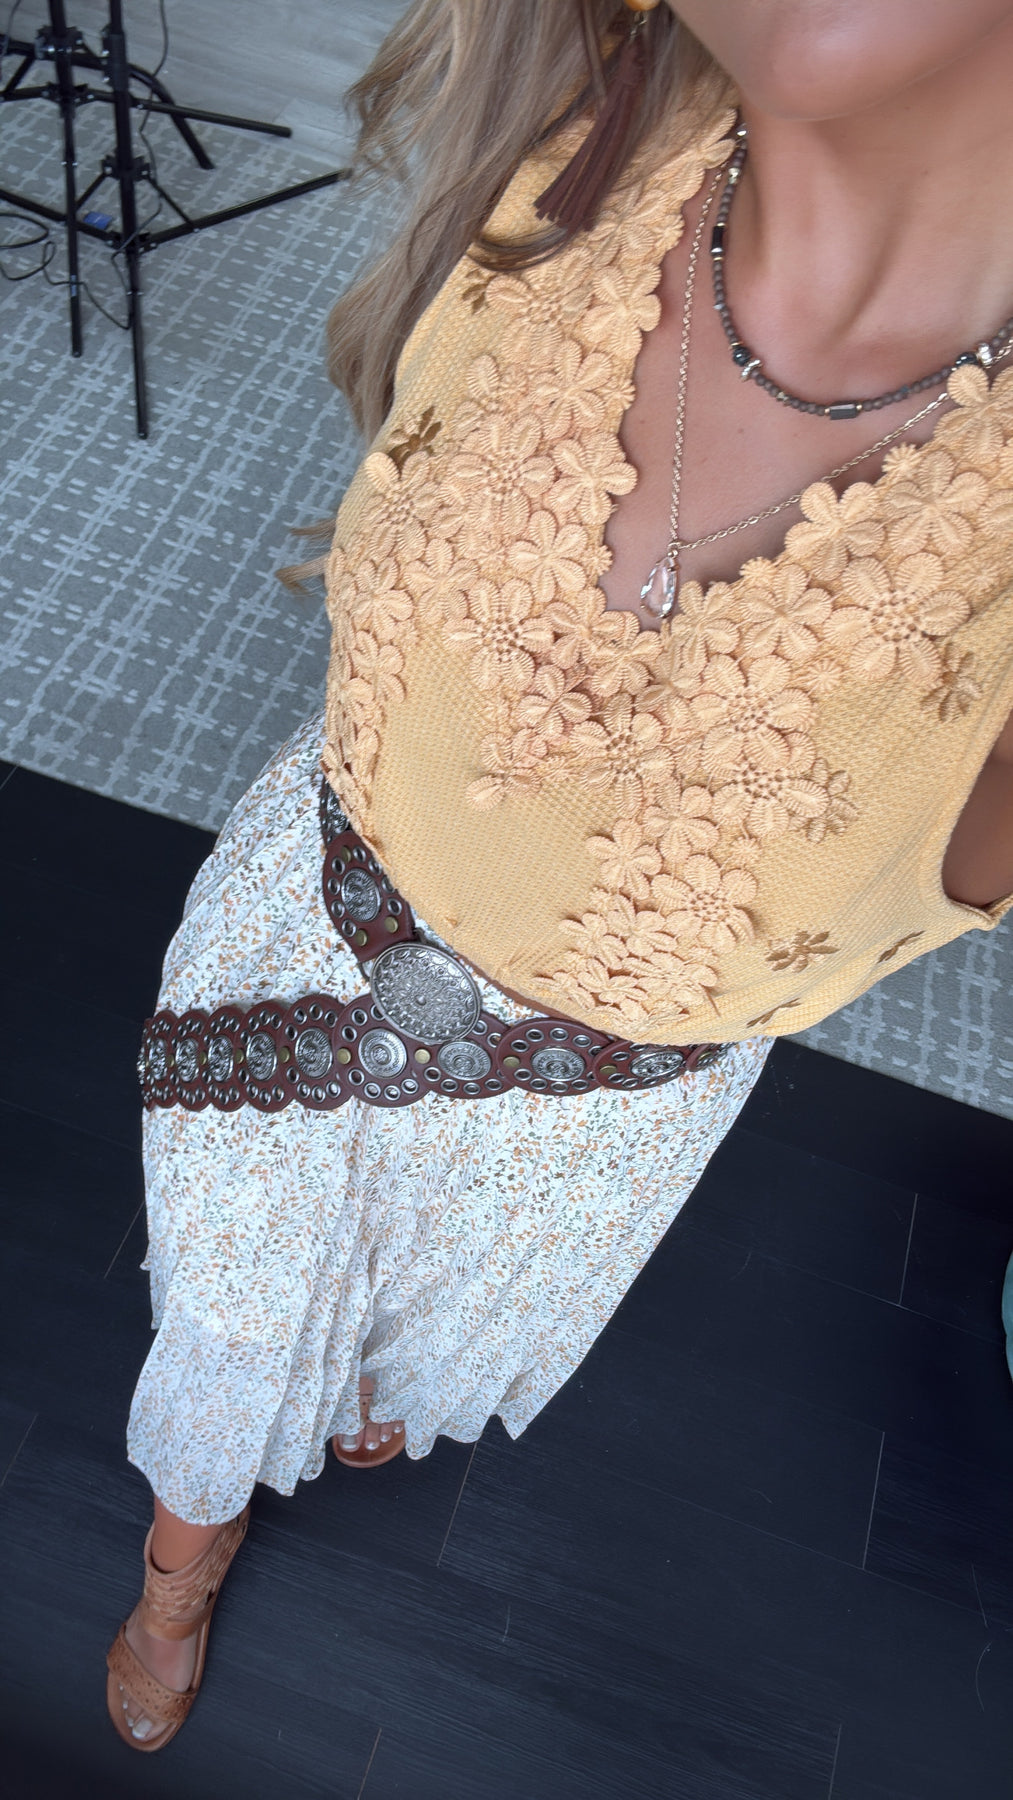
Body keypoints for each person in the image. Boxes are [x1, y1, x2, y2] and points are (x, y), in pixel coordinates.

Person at [106, 0, 1013, 1750]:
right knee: (223, 1325)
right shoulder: (574, 146)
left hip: (585, 1124)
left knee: (423, 1350)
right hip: (296, 958)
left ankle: (360, 1395)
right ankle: (177, 1558)